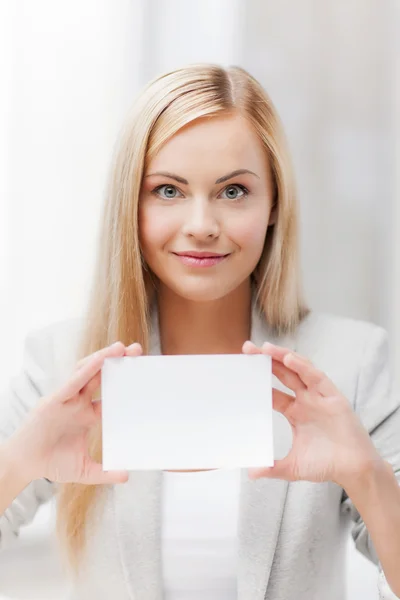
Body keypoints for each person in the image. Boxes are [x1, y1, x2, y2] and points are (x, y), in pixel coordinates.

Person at [0, 64, 399, 600]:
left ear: (274, 203)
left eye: (233, 191)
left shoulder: (351, 361)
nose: (202, 224)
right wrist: (16, 464)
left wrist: (367, 478)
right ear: (130, 206)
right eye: (168, 191)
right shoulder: (62, 363)